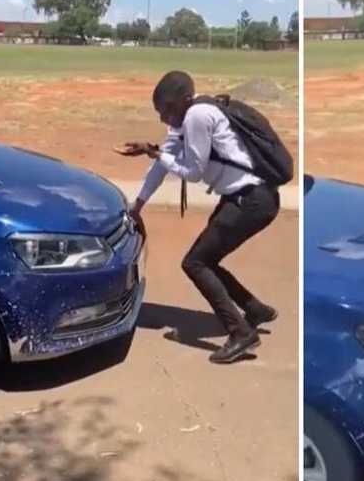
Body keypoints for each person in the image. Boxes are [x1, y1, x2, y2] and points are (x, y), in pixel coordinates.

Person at [118, 70, 279, 364]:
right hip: (243, 198)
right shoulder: (186, 120)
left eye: (167, 110)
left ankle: (240, 333)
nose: (163, 118)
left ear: (185, 100)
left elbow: (191, 172)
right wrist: (137, 204)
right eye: (159, 112)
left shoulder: (198, 116)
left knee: (195, 262)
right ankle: (253, 309)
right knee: (207, 258)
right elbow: (163, 165)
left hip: (252, 200)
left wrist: (155, 155)